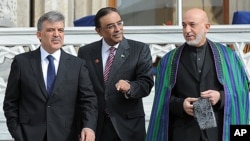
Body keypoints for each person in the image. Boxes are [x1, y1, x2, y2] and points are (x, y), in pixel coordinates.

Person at [146, 8, 250, 141]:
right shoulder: (169, 60)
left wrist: (221, 97)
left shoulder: (228, 57)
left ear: (207, 27)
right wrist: (181, 105)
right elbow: (162, 99)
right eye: (184, 25)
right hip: (183, 133)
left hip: (219, 133)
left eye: (192, 25)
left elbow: (242, 91)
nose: (187, 30)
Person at [3, 11, 98, 141]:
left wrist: (88, 126)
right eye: (50, 30)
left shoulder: (77, 65)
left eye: (60, 30)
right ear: (39, 35)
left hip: (66, 136)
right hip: (28, 135)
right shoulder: (22, 62)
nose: (56, 35)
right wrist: (17, 132)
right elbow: (10, 102)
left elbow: (88, 101)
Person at [78, 7, 154, 141]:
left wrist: (130, 87)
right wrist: (85, 124)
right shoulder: (86, 52)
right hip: (97, 128)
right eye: (110, 26)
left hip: (128, 127)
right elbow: (83, 91)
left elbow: (146, 84)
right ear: (99, 31)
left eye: (119, 23)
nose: (117, 29)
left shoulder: (140, 49)